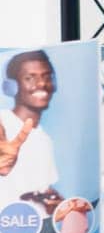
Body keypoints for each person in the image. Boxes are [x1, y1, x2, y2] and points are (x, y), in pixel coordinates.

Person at [0, 50, 62, 214]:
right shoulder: (2, 124)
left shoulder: (44, 139)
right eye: (30, 78)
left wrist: (59, 205)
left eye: (47, 77)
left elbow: (42, 190)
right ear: (11, 87)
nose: (42, 84)